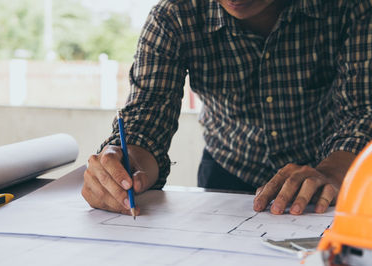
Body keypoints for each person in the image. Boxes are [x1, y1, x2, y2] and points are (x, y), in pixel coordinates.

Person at [82, 0, 372, 216]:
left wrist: (333, 174)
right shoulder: (175, 15)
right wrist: (124, 165)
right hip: (227, 170)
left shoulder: (349, 7)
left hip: (329, 168)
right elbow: (146, 118)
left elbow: (362, 114)